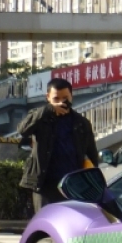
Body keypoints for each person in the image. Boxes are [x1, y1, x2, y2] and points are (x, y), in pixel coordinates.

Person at [18, 78, 100, 212]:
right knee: (45, 223)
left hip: (73, 185)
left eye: (65, 98)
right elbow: (23, 129)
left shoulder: (81, 123)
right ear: (48, 98)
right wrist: (50, 109)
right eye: (56, 99)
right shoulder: (40, 117)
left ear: (71, 97)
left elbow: (92, 154)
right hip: (45, 185)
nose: (61, 102)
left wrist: (92, 182)